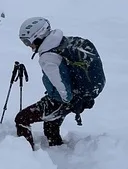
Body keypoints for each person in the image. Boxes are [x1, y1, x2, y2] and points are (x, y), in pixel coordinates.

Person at [14, 17, 106, 149]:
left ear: (37, 36)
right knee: (51, 125)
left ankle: (22, 154)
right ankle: (58, 154)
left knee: (22, 119)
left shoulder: (48, 58)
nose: (29, 46)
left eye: (27, 41)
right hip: (79, 94)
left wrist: (64, 102)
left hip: (65, 99)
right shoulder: (61, 42)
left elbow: (64, 92)